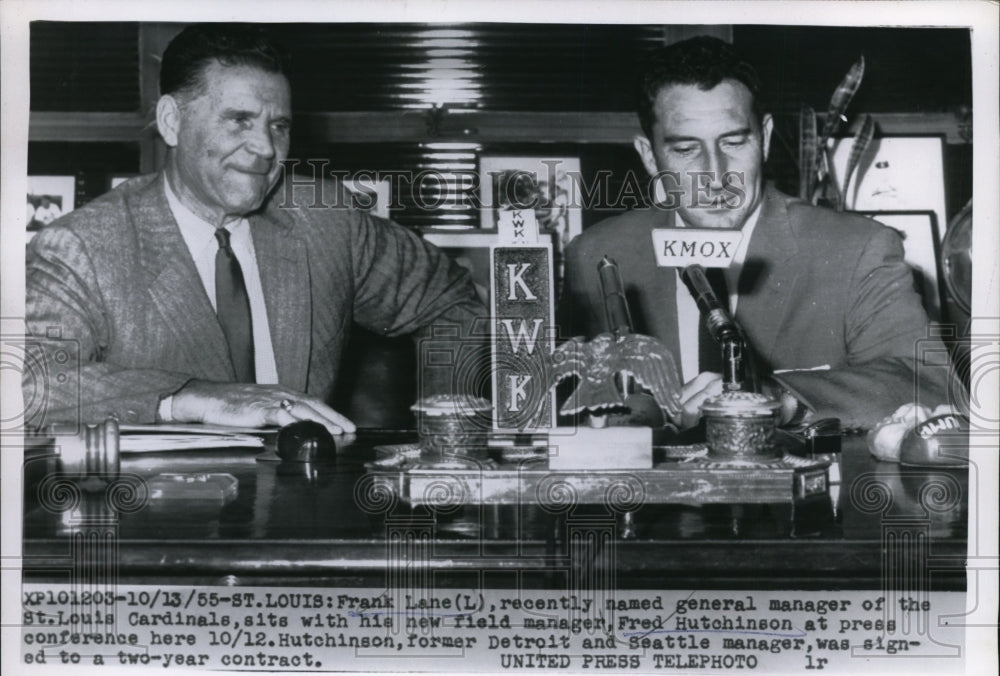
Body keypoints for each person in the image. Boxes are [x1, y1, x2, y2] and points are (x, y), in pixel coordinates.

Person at [25, 24, 486, 434]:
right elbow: (26, 383)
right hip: (158, 517)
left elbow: (448, 300)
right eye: (239, 120)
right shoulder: (81, 246)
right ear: (171, 121)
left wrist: (448, 435)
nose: (266, 147)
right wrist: (193, 397)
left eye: (278, 126)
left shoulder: (326, 220)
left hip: (302, 510)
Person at [561, 36, 956, 431]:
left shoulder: (858, 249)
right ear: (649, 156)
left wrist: (779, 399)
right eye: (685, 150)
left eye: (734, 142)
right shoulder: (596, 254)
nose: (716, 177)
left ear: (764, 138)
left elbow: (929, 386)